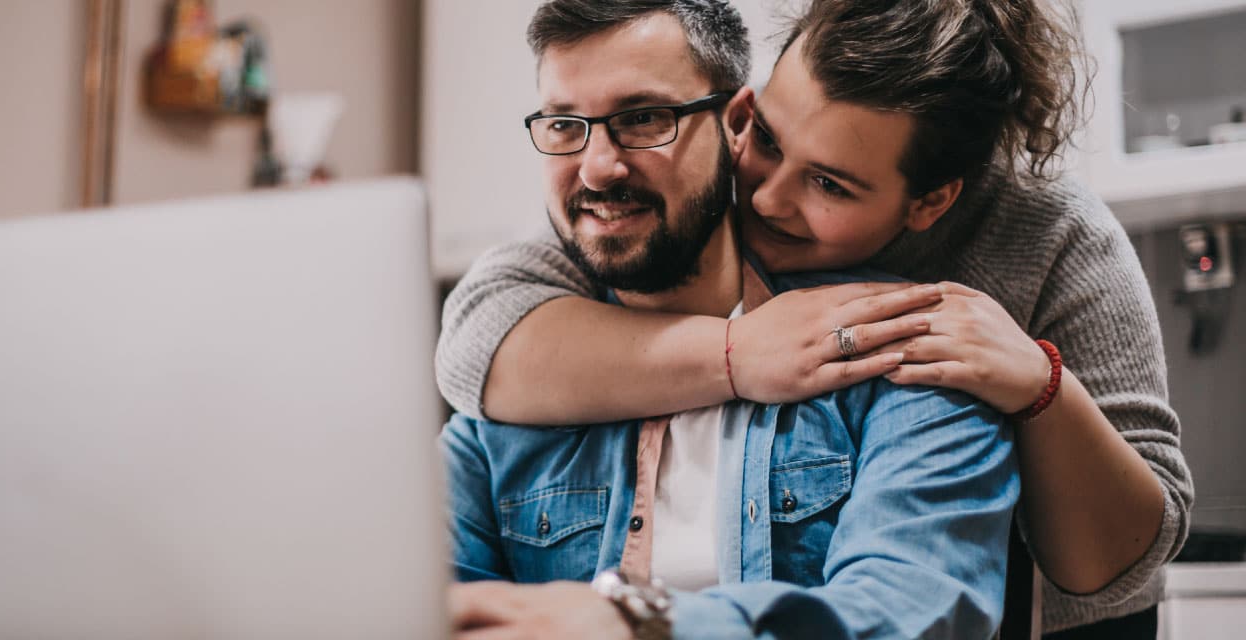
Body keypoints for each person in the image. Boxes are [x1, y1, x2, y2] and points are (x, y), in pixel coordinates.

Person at [437, 0, 1193, 637]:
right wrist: (736, 352)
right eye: (766, 139)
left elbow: (1097, 568)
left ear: (931, 201)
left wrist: (1038, 386)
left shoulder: (945, 333)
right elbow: (477, 341)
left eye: (829, 182)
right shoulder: (625, 218)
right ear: (743, 117)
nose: (764, 197)